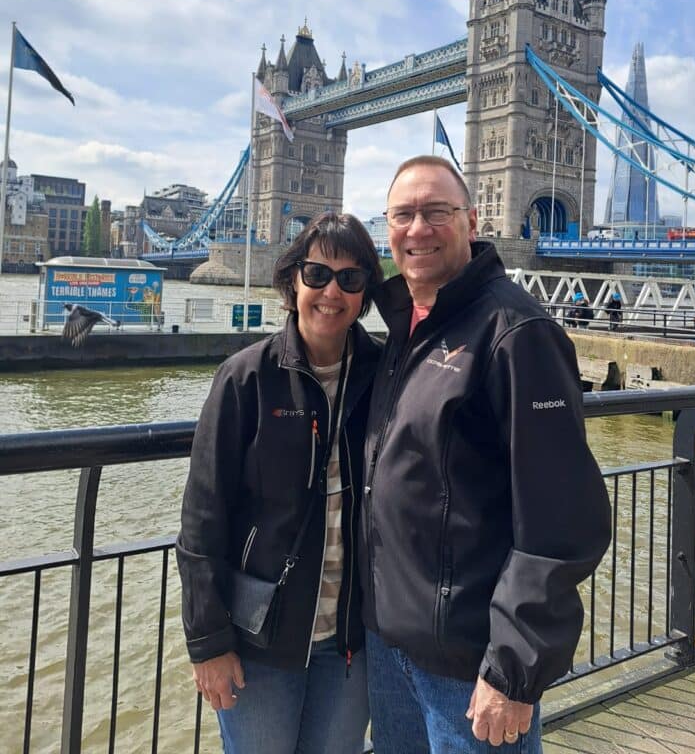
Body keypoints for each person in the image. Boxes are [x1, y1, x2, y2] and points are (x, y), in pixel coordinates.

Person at [360, 156, 611, 754]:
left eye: (437, 212)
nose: (418, 228)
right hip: (389, 648)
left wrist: (512, 667)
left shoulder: (516, 333)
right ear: (387, 229)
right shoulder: (405, 328)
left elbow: (561, 521)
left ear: (472, 222)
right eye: (403, 214)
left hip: (471, 666)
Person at [176, 212, 383, 754]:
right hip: (258, 641)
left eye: (351, 279)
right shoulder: (247, 377)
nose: (331, 292)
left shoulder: (388, 375)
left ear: (365, 293)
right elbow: (202, 521)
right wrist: (207, 643)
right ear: (293, 280)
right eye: (317, 274)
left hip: (351, 643)